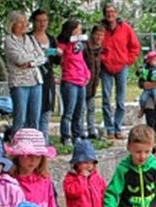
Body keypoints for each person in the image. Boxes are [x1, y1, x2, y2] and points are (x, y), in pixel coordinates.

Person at [98, 2, 139, 140]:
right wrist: (102, 59)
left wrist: (128, 60)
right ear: (104, 14)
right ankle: (109, 129)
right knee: (106, 99)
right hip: (106, 67)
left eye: (112, 11)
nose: (110, 14)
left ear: (116, 13)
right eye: (107, 11)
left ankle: (118, 128)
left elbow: (134, 46)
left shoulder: (125, 28)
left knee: (120, 100)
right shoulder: (101, 29)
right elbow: (96, 45)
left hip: (121, 67)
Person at [4, 10, 45, 135]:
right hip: (19, 83)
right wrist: (32, 57)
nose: (23, 25)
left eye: (24, 22)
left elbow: (42, 57)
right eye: (19, 23)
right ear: (12, 25)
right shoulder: (9, 40)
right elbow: (19, 59)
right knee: (20, 117)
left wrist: (31, 62)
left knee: (34, 118)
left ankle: (33, 145)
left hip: (35, 80)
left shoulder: (31, 39)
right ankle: (17, 145)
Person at [56, 18, 89, 146]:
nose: (80, 31)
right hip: (69, 80)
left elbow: (81, 60)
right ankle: (66, 136)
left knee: (79, 111)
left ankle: (77, 135)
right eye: (78, 28)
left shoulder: (80, 44)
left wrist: (87, 74)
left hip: (81, 81)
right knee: (69, 111)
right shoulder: (64, 44)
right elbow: (60, 53)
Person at [30, 9, 58, 137]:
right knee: (33, 111)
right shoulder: (28, 38)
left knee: (47, 109)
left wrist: (57, 53)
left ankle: (44, 140)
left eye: (45, 21)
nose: (42, 24)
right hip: (32, 77)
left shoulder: (51, 38)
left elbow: (56, 60)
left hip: (47, 76)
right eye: (39, 21)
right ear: (34, 22)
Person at [81, 24, 104, 139]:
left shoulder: (101, 50)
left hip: (94, 82)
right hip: (84, 81)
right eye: (97, 34)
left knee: (91, 108)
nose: (99, 37)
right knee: (82, 108)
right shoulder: (85, 48)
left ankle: (91, 129)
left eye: (101, 35)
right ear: (92, 34)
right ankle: (81, 129)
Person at [135, 49, 156, 128]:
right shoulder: (145, 68)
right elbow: (140, 82)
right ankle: (142, 109)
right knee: (143, 99)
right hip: (148, 93)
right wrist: (144, 83)